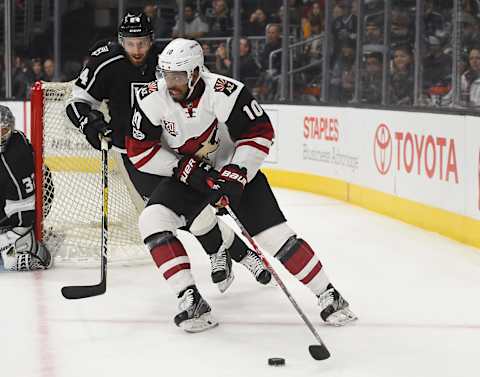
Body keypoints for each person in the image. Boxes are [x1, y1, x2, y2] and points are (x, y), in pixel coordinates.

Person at [129, 38, 357, 332]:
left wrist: (236, 173)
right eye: (166, 74)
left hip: (235, 172)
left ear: (196, 72)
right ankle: (191, 299)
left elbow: (259, 132)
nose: (169, 82)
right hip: (189, 175)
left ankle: (330, 295)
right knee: (152, 220)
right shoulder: (151, 98)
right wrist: (181, 168)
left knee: (275, 237)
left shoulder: (226, 92)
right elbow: (139, 150)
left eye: (178, 76)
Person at [65, 12, 270, 292]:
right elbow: (76, 102)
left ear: (152, 40)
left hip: (179, 150)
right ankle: (233, 254)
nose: (137, 50)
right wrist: (90, 123)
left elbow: (205, 88)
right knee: (181, 215)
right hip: (139, 155)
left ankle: (232, 254)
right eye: (130, 43)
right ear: (120, 40)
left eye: (142, 43)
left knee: (194, 208)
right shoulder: (106, 62)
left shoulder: (169, 61)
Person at [0, 105, 52, 271]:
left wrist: (19, 233)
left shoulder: (14, 157)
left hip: (24, 211)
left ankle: (29, 244)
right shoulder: (17, 140)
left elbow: (24, 204)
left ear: (10, 130)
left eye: (2, 131)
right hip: (18, 204)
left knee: (13, 262)